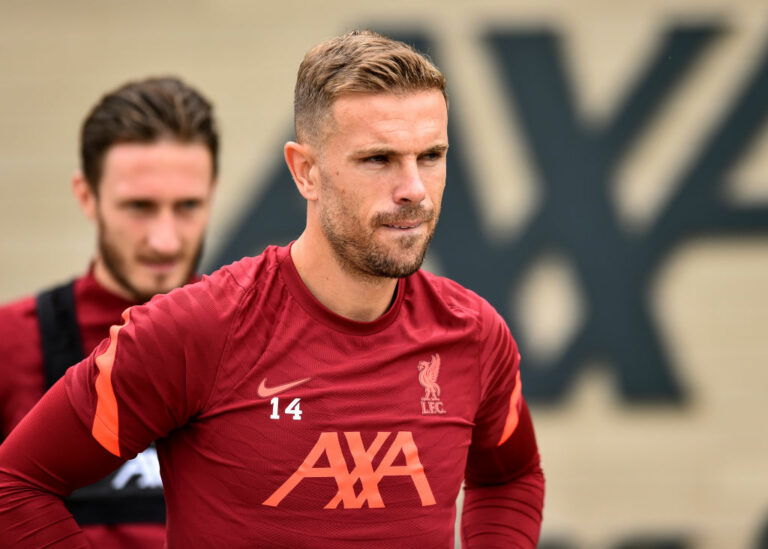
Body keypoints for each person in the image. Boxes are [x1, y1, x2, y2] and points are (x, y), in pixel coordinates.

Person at [0, 31, 544, 548]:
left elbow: (511, 476)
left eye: (431, 156)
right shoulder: (197, 328)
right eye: (378, 159)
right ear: (304, 171)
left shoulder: (473, 333)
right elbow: (15, 484)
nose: (413, 190)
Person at [0, 76, 219, 548]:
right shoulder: (9, 344)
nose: (164, 239)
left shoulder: (258, 337)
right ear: (86, 196)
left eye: (187, 206)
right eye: (139, 207)